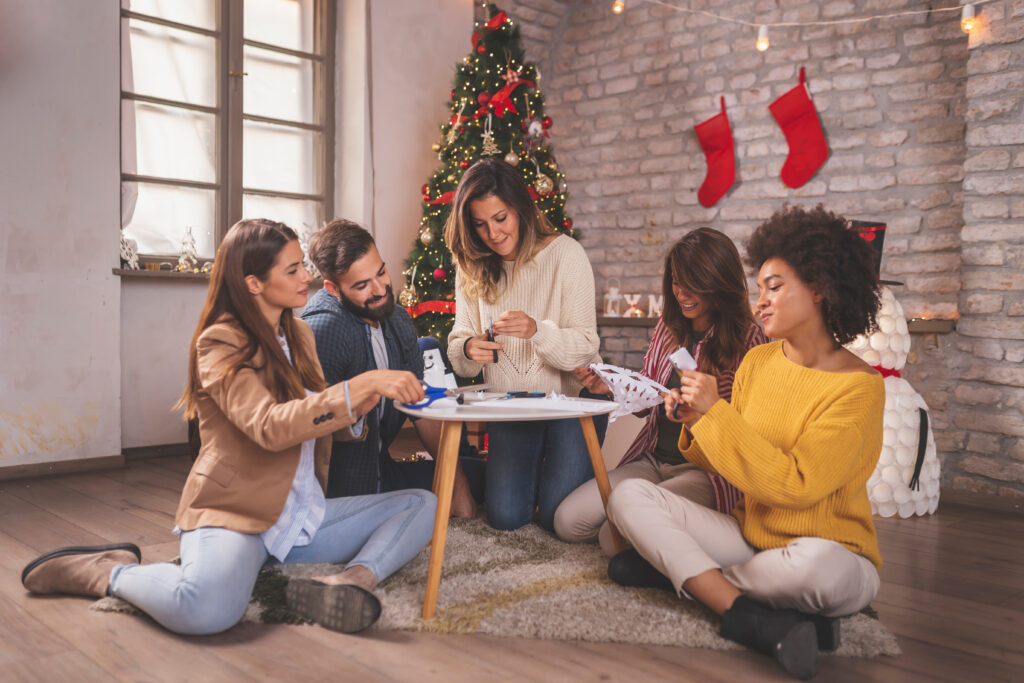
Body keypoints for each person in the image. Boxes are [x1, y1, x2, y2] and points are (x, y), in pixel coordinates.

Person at [20, 218, 437, 636]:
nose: (307, 277)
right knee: (206, 611)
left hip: (299, 516)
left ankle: (349, 582)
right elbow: (269, 427)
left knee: (420, 504)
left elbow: (316, 421)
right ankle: (109, 571)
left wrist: (357, 412)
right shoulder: (219, 343)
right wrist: (352, 390)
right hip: (236, 513)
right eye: (293, 270)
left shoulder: (303, 337)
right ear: (253, 283)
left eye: (301, 266)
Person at [606, 205, 885, 679]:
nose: (761, 302)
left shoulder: (859, 388)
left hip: (826, 548)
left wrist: (716, 413)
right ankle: (746, 613)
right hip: (747, 537)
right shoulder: (759, 363)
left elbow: (793, 485)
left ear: (820, 289)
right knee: (626, 498)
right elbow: (726, 462)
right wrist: (696, 420)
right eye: (759, 290)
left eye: (774, 287)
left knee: (817, 569)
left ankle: (685, 578)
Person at [554, 228, 768, 557]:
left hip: (705, 472)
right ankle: (655, 532)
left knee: (614, 541)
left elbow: (750, 428)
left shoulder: (751, 339)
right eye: (677, 282)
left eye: (693, 284)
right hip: (653, 461)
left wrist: (702, 409)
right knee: (568, 522)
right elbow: (646, 400)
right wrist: (612, 387)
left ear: (718, 282)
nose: (682, 293)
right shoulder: (668, 327)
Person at [445, 158, 602, 532]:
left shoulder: (566, 255)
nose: (492, 233)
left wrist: (537, 332)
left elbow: (584, 345)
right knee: (506, 517)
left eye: (500, 218)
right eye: (480, 224)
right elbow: (458, 350)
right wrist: (469, 349)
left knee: (554, 519)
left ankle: (546, 475)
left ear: (521, 208)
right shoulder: (472, 265)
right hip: (510, 409)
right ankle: (496, 474)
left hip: (571, 403)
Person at [301, 219, 479, 517]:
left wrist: (456, 487)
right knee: (422, 510)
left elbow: (422, 406)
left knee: (484, 476)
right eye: (361, 285)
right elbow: (307, 429)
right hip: (341, 492)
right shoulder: (325, 328)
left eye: (381, 272)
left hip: (382, 471)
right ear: (332, 288)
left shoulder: (396, 318)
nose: (380, 288)